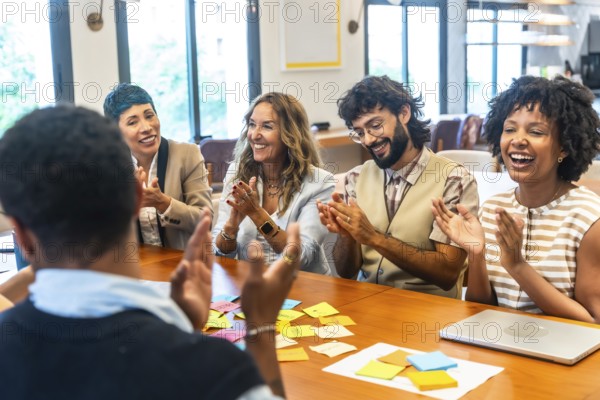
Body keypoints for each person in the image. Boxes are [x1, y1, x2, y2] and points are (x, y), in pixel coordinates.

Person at [0, 105, 301, 399]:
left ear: (22, 238)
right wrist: (261, 329)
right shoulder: (215, 371)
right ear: (136, 198)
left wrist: (181, 327)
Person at [432, 75, 600, 323]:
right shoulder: (494, 209)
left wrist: (517, 266)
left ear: (564, 148)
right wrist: (476, 255)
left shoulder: (588, 218)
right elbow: (481, 307)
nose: (518, 140)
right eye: (509, 129)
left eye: (536, 132)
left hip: (562, 353)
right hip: (501, 343)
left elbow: (593, 322)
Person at [317, 76, 479, 298]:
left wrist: (373, 237)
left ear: (404, 113)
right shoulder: (356, 177)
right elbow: (346, 273)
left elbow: (446, 273)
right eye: (360, 132)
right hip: (367, 309)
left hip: (428, 315)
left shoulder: (454, 179)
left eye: (375, 126)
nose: (368, 140)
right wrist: (347, 236)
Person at [212, 92, 334, 275]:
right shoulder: (237, 174)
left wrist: (257, 214)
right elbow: (220, 253)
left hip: (305, 288)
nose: (254, 134)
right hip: (251, 285)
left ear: (291, 134)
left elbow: (302, 257)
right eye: (252, 124)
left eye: (267, 126)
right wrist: (231, 226)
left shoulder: (320, 183)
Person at [104, 83, 212, 250]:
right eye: (133, 122)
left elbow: (205, 220)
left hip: (182, 264)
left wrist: (164, 203)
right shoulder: (108, 166)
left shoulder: (187, 154)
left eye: (149, 116)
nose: (147, 127)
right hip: (134, 268)